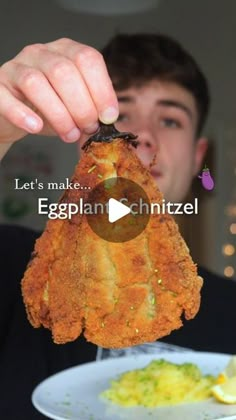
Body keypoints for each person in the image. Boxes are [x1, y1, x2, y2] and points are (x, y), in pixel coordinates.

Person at [0, 34, 235, 420]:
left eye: (170, 119)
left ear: (198, 157)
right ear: (81, 140)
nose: (142, 137)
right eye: (120, 115)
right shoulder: (16, 269)